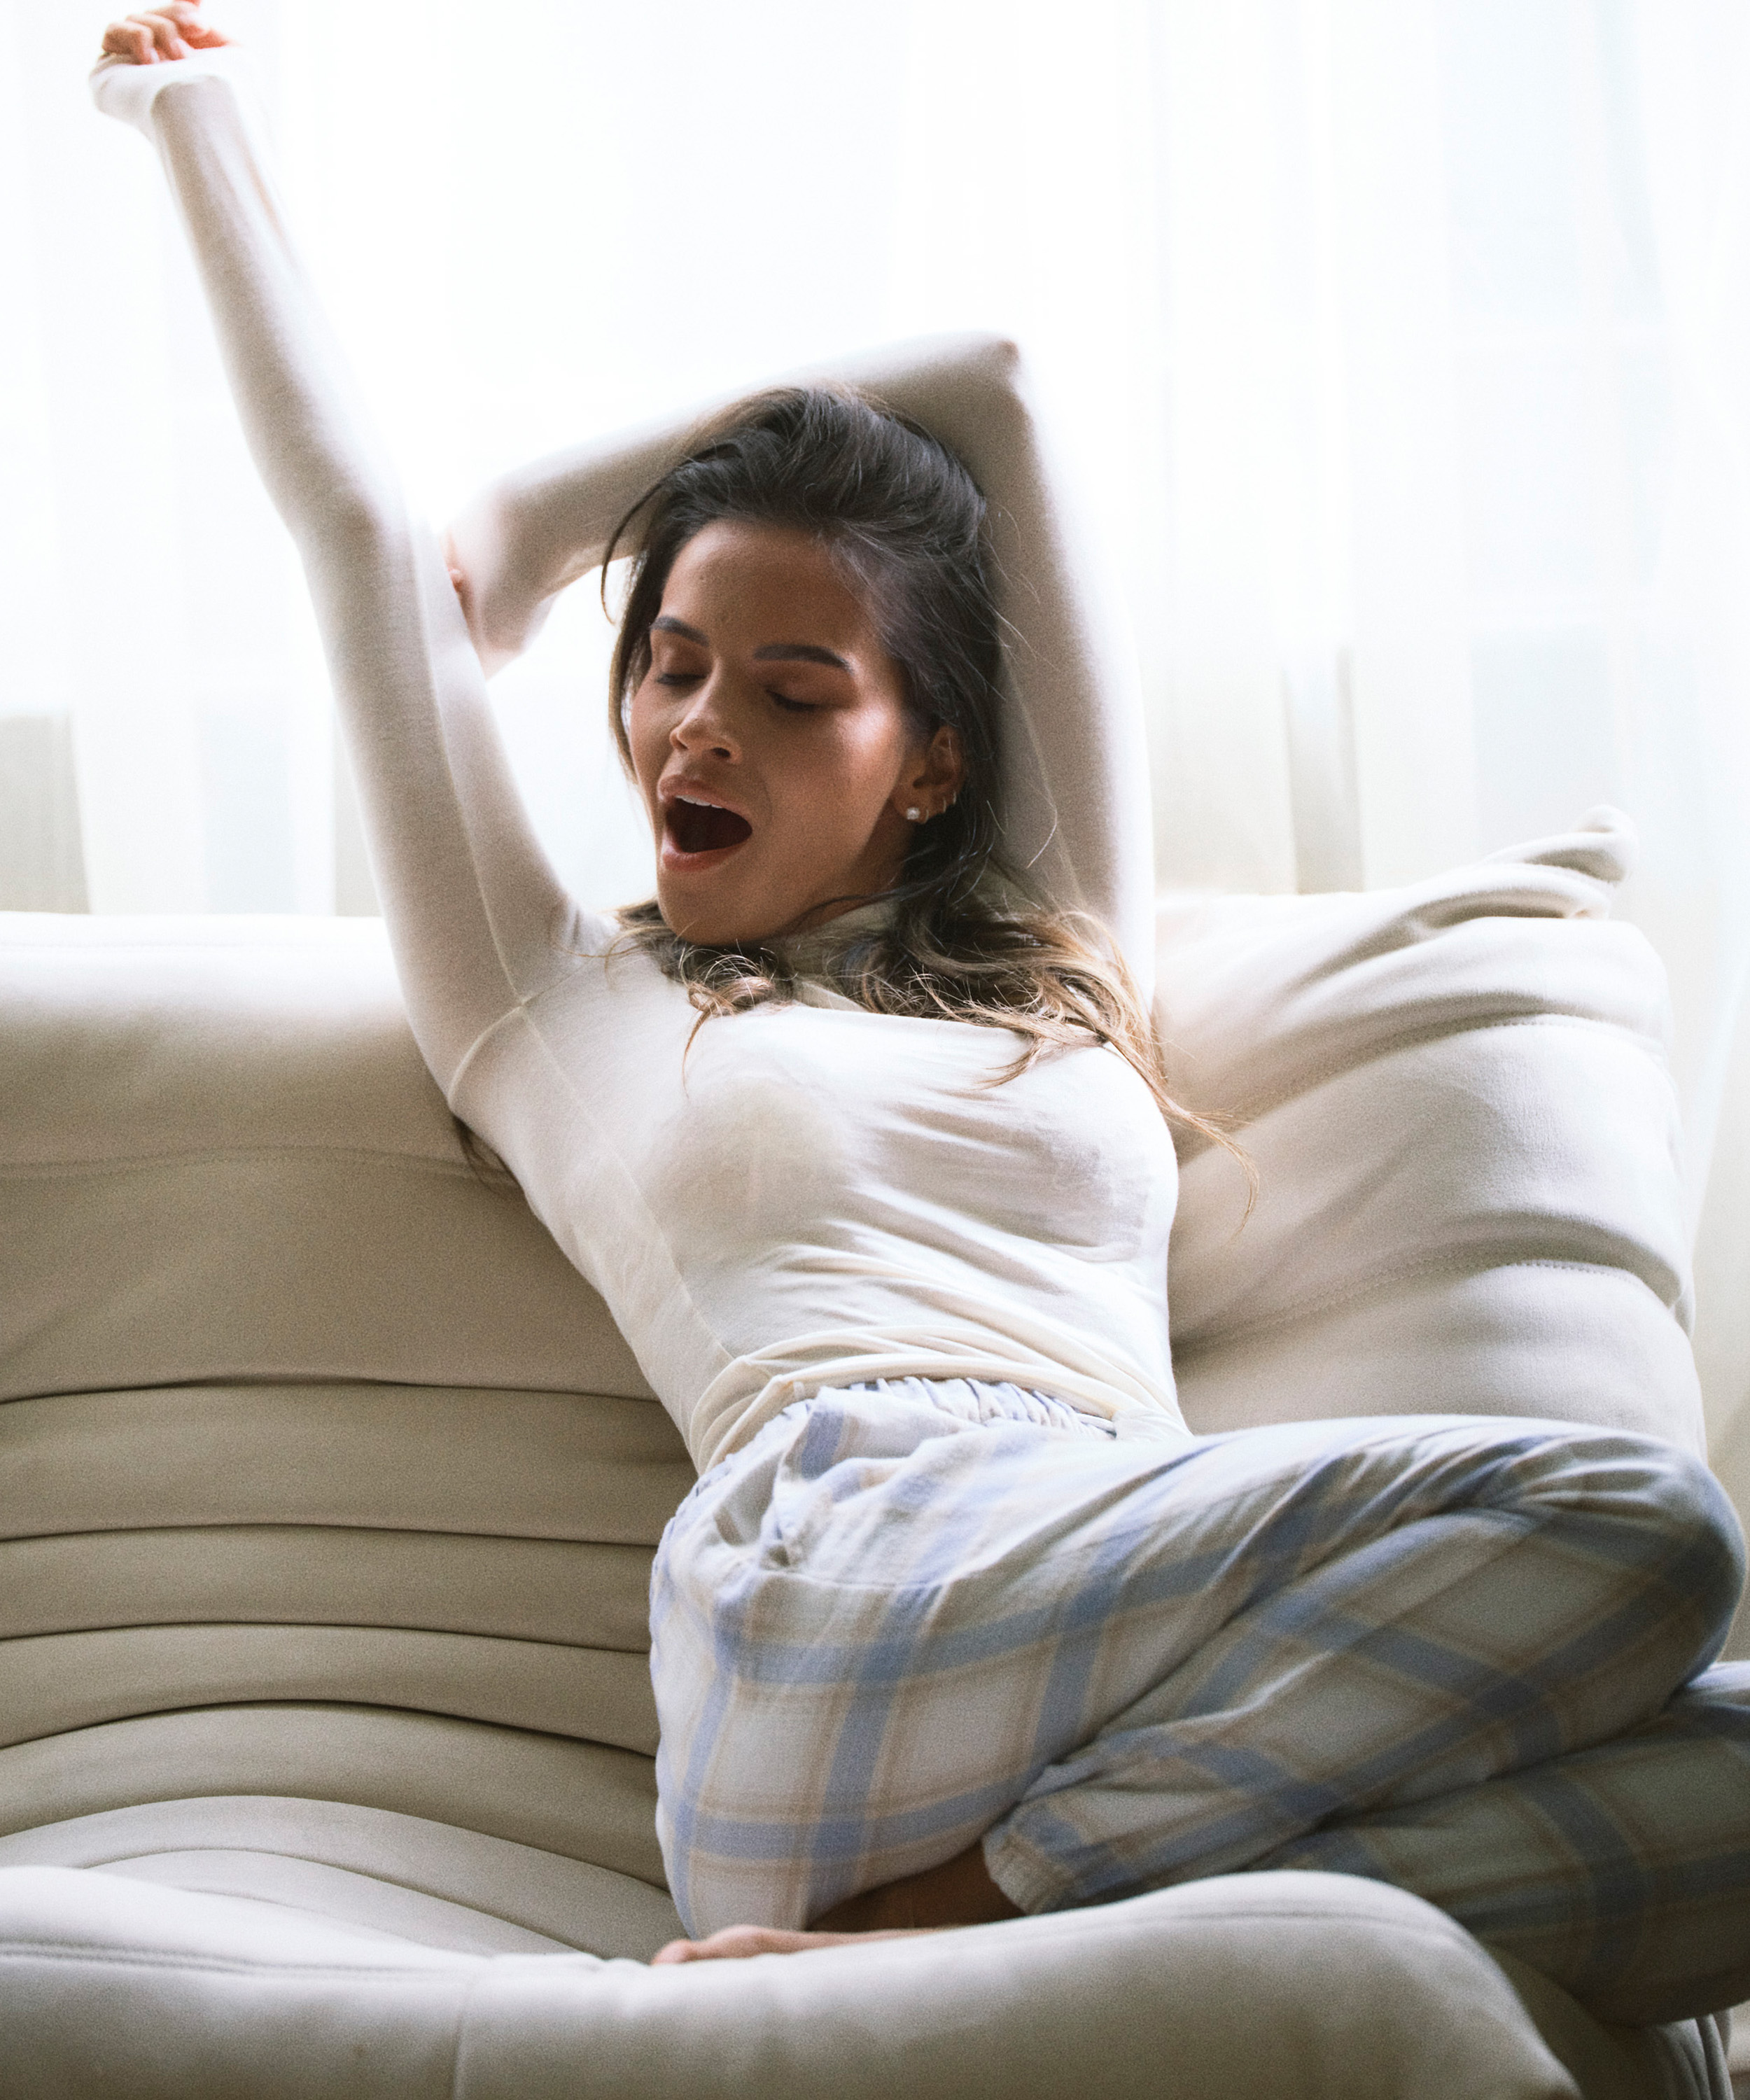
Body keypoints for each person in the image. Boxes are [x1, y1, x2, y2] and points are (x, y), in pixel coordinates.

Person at [94, 4, 1750, 2025]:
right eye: (668, 664)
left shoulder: (1061, 956)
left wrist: (550, 512)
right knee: (1643, 1523)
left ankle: (1106, 1929)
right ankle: (979, 1910)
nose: (695, 727)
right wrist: (193, 125)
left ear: (934, 760)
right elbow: (361, 534)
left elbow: (993, 385)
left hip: (1118, 1609)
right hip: (840, 1587)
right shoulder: (559, 1003)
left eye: (793, 693)